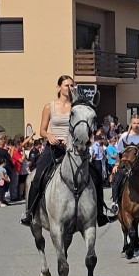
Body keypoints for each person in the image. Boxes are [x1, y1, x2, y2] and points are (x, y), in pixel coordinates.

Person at [21, 75, 110, 227]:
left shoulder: (77, 107)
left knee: (95, 174)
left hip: (73, 148)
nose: (69, 88)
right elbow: (42, 130)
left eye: (71, 85)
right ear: (59, 87)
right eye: (66, 85)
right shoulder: (50, 107)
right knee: (37, 176)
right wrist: (49, 135)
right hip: (54, 147)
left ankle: (100, 214)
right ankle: (30, 213)